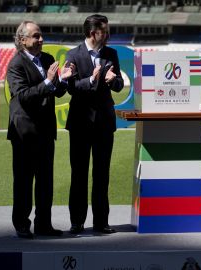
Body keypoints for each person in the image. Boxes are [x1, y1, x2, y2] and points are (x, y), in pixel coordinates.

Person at [6, 20, 75, 239]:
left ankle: (44, 224)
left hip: (45, 130)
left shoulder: (47, 59)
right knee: (24, 181)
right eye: (35, 36)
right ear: (22, 40)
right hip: (25, 131)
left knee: (46, 181)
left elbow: (56, 92)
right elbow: (23, 96)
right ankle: (22, 224)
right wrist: (48, 81)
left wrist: (63, 80)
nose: (41, 39)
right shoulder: (16, 64)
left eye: (41, 35)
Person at [65, 14, 124, 234]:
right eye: (105, 31)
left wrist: (112, 80)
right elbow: (70, 87)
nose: (108, 35)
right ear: (93, 32)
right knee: (78, 173)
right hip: (80, 122)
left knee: (102, 174)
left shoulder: (112, 54)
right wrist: (91, 80)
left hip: (104, 123)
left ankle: (101, 222)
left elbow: (118, 84)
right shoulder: (73, 54)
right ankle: (77, 221)